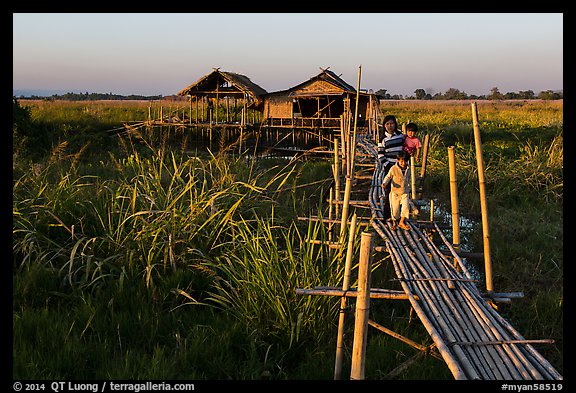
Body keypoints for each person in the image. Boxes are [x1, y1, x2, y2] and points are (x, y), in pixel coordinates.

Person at [378, 115, 405, 219]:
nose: (390, 126)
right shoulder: (383, 139)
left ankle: (399, 216)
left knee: (402, 191)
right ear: (384, 126)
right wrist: (390, 167)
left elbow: (405, 149)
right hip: (389, 168)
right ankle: (387, 215)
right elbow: (380, 155)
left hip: (401, 167)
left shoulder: (400, 136)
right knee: (389, 191)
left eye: (392, 124)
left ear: (395, 124)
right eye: (387, 124)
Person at [381, 150, 412, 231]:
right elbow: (388, 177)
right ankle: (394, 222)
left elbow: (410, 179)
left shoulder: (409, 168)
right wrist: (384, 183)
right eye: (401, 161)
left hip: (404, 192)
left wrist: (410, 187)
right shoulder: (394, 168)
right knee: (395, 210)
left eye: (405, 161)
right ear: (398, 160)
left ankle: (401, 222)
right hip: (395, 192)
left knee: (405, 207)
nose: (403, 163)